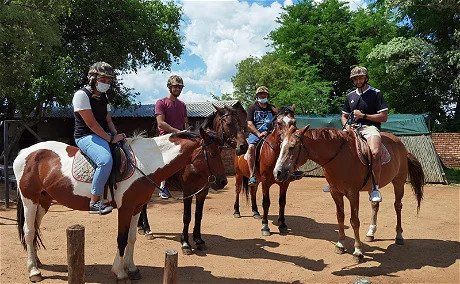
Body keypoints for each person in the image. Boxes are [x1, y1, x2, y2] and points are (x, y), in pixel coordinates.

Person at [73, 62, 126, 214]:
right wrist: (110, 139)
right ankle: (94, 202)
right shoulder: (81, 95)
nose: (106, 83)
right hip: (86, 136)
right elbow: (91, 123)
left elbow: (108, 120)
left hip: (104, 135)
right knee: (105, 160)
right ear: (93, 78)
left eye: (109, 81)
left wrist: (116, 135)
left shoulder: (104, 97)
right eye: (103, 79)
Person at [341, 66, 388, 202]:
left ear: (366, 78)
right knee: (335, 148)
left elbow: (383, 117)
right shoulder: (350, 96)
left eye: (361, 77)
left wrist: (364, 115)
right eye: (355, 78)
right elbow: (343, 115)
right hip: (352, 128)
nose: (358, 80)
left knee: (374, 152)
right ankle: (334, 182)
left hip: (370, 128)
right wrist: (347, 125)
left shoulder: (376, 93)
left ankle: (375, 188)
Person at [155, 75, 188, 198]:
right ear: (169, 87)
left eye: (180, 87)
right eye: (175, 86)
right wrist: (176, 131)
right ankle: (163, 186)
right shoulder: (161, 103)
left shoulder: (182, 105)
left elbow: (186, 122)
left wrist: (187, 131)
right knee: (167, 160)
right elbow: (160, 123)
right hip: (166, 138)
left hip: (181, 136)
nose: (178, 89)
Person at [246, 86, 277, 186]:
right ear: (257, 96)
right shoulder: (252, 108)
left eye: (265, 94)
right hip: (256, 134)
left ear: (267, 96)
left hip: (270, 133)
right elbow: (249, 124)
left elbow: (278, 119)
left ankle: (291, 171)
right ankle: (252, 175)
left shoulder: (271, 108)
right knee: (251, 148)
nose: (263, 95)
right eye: (260, 94)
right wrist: (259, 134)